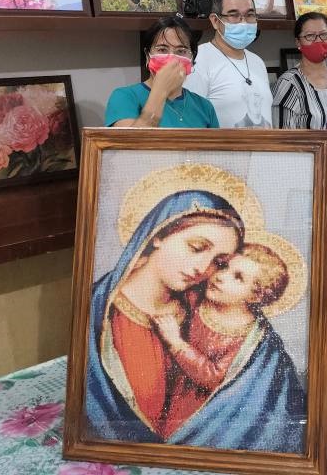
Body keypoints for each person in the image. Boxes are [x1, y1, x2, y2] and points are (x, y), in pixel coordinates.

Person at [85, 190, 245, 443]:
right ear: (159, 234)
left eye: (219, 262)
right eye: (196, 247)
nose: (202, 268)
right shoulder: (100, 310)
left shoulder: (204, 312)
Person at [152, 243, 305, 453]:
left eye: (238, 277)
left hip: (204, 408)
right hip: (168, 385)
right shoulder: (196, 299)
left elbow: (214, 377)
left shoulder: (248, 337)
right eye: (224, 266)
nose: (221, 277)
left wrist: (176, 343)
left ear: (255, 296)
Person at [271, 12, 327, 173]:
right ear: (298, 42)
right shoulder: (289, 84)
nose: (318, 41)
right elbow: (283, 142)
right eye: (310, 36)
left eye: (323, 35)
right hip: (308, 180)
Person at [105, 15, 219, 128]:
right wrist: (160, 90)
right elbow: (132, 139)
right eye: (162, 50)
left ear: (192, 58)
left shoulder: (205, 107)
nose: (172, 59)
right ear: (147, 56)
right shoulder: (124, 96)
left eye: (181, 51)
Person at [184, 0, 272, 128]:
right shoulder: (198, 60)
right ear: (215, 21)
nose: (244, 22)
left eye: (250, 15)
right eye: (234, 15)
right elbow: (190, 120)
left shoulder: (257, 61)